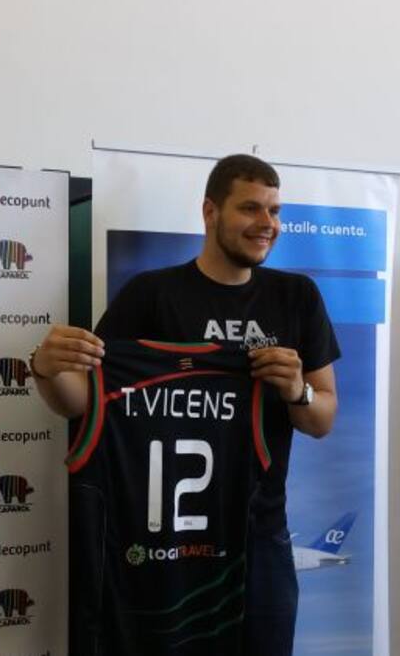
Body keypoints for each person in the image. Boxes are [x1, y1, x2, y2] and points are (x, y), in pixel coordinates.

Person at [31, 154, 340, 655]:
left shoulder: (297, 297)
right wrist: (45, 369)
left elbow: (323, 417)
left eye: (275, 210)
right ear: (210, 212)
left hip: (260, 535)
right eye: (251, 208)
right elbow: (83, 402)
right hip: (168, 543)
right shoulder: (151, 295)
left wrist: (296, 390)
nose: (267, 223)